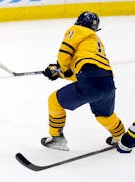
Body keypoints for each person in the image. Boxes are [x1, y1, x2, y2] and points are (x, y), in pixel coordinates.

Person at [41, 11, 126, 151]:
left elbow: (65, 53)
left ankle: (56, 138)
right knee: (105, 115)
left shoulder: (76, 30)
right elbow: (82, 72)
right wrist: (60, 73)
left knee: (54, 101)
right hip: (108, 84)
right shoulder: (94, 42)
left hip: (90, 82)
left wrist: (60, 68)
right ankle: (120, 136)